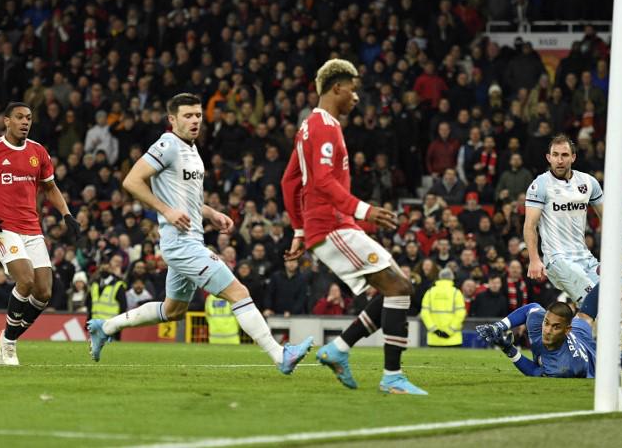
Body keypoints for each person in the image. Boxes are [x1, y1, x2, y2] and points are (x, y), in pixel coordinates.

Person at [86, 93, 312, 374]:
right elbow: (131, 180)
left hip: (190, 241)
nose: (195, 121)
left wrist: (212, 214)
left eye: (198, 115)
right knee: (238, 292)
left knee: (173, 311)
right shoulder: (167, 144)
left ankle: (104, 327)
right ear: (172, 119)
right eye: (188, 116)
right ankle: (280, 355)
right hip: (182, 245)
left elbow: (187, 200)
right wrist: (166, 211)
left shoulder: (191, 150)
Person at [282, 59, 426, 395]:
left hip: (328, 226)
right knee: (400, 288)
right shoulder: (324, 127)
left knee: (395, 287)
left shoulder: (307, 127)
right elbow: (322, 180)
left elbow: (289, 181)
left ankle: (339, 349)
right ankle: (392, 377)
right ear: (337, 88)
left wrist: (299, 230)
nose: (357, 97)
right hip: (333, 225)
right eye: (354, 89)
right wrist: (363, 209)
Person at [0, 102, 82, 365]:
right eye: (19, 117)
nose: (25, 122)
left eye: (28, 118)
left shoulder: (38, 151)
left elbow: (50, 188)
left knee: (44, 292)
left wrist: (66, 214)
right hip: (2, 228)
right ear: (6, 121)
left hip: (32, 228)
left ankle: (8, 337)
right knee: (25, 280)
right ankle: (11, 346)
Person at [524, 134, 622, 351]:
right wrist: (534, 259)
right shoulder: (540, 185)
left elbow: (610, 220)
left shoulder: (588, 183)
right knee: (599, 304)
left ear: (573, 157)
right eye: (555, 155)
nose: (560, 160)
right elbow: (530, 225)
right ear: (548, 157)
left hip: (584, 257)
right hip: (558, 260)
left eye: (565, 155)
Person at [477, 283, 622, 377]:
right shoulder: (541, 323)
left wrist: (509, 351)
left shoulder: (564, 367)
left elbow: (534, 371)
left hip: (594, 361)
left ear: (565, 329)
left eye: (555, 327)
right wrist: (499, 326)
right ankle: (609, 276)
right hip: (578, 332)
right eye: (547, 323)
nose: (548, 330)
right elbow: (530, 308)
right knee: (585, 316)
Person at [419, 267, 465, 346]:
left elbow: (424, 314)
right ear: (452, 277)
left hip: (434, 339)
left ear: (439, 277)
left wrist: (435, 330)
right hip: (453, 339)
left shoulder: (430, 292)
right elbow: (460, 314)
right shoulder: (456, 292)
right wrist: (450, 331)